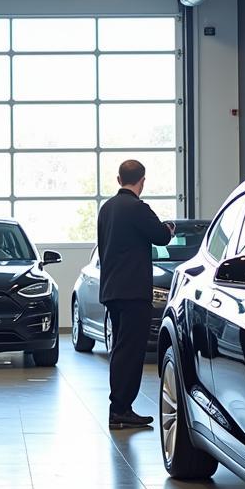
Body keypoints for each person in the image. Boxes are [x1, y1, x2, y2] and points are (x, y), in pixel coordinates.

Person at [97, 159, 175, 430]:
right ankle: (121, 409)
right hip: (133, 292)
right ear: (142, 180)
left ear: (119, 180)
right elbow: (160, 237)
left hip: (111, 291)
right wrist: (169, 229)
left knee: (120, 349)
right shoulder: (138, 208)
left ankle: (119, 408)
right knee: (131, 352)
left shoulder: (106, 209)